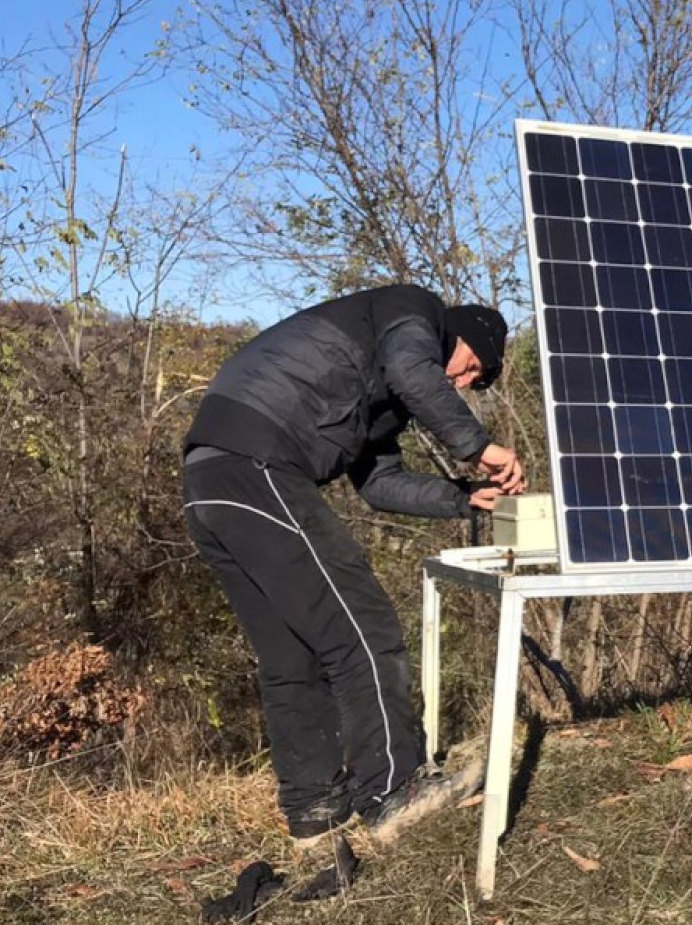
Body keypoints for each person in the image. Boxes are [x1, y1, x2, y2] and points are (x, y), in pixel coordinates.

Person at [181, 284, 526, 878]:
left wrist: (466, 498)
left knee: (293, 652)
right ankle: (394, 790)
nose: (469, 384)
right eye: (477, 369)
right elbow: (419, 374)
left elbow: (378, 483)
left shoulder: (386, 384)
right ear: (464, 334)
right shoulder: (411, 312)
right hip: (259, 462)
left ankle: (314, 811)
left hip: (210, 477)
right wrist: (478, 446)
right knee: (364, 625)